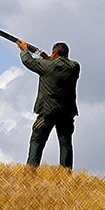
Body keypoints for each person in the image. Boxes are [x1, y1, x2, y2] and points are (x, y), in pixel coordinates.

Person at [17, 40, 80, 170]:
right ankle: (66, 172)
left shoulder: (46, 66)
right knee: (66, 143)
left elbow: (29, 62)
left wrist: (24, 50)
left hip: (47, 112)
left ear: (54, 53)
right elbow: (59, 66)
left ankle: (31, 170)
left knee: (37, 140)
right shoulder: (74, 67)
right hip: (67, 112)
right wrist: (49, 59)